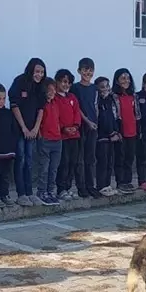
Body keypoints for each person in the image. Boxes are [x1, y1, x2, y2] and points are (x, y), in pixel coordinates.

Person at [10, 58, 47, 206]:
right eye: (37, 71)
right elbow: (14, 105)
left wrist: (35, 128)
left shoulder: (41, 87)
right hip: (19, 129)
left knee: (30, 161)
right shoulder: (20, 82)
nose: (39, 75)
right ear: (30, 70)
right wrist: (24, 128)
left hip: (32, 130)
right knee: (21, 160)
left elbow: (41, 109)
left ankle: (30, 192)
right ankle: (21, 194)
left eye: (42, 72)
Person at [54, 69, 82, 200]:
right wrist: (64, 128)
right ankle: (61, 189)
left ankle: (69, 187)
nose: (66, 85)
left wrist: (75, 126)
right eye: (63, 82)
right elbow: (55, 116)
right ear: (57, 82)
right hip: (62, 136)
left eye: (69, 83)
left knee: (73, 162)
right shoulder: (55, 98)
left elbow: (77, 113)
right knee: (63, 163)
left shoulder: (72, 97)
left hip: (74, 135)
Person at [74, 58, 99, 198]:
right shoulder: (76, 88)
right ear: (79, 71)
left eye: (90, 69)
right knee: (80, 159)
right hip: (81, 126)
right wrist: (87, 121)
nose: (87, 72)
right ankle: (81, 186)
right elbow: (77, 108)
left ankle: (91, 185)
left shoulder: (94, 88)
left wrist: (95, 121)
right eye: (85, 69)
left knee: (91, 158)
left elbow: (95, 106)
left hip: (93, 126)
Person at [36, 78, 63, 206]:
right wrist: (40, 136)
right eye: (49, 90)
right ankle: (42, 192)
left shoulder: (56, 103)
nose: (52, 92)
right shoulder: (41, 104)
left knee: (53, 169)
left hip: (57, 140)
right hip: (45, 140)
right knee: (44, 168)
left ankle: (51, 191)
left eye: (54, 89)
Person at [112, 68, 139, 194]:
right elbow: (115, 115)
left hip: (132, 131)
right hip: (121, 131)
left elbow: (137, 114)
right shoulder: (114, 96)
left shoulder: (133, 96)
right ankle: (120, 182)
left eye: (128, 78)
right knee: (120, 158)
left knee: (129, 157)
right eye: (123, 78)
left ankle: (128, 181)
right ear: (117, 81)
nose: (126, 81)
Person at [95, 76, 121, 196]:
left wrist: (116, 131)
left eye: (107, 86)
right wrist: (110, 133)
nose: (105, 89)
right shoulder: (98, 102)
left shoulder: (111, 100)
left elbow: (114, 117)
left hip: (113, 136)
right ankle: (101, 186)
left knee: (110, 161)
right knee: (103, 162)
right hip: (102, 136)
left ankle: (107, 184)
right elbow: (102, 119)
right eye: (102, 87)